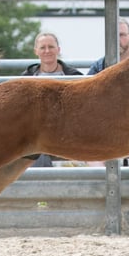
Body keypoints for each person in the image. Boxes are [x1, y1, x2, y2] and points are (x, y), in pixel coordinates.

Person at [85, 19, 129, 166]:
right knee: (89, 150)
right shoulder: (99, 66)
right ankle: (104, 186)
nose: (117, 40)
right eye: (113, 35)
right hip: (105, 127)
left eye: (122, 35)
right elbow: (86, 101)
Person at [21, 32, 82, 167]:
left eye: (51, 47)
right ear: (36, 51)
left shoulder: (74, 76)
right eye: (42, 47)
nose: (47, 51)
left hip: (67, 130)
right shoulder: (26, 78)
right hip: (36, 131)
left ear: (58, 50)